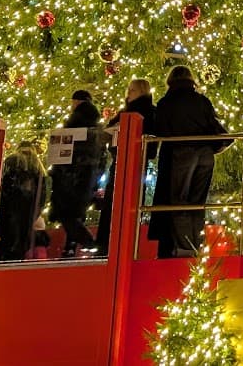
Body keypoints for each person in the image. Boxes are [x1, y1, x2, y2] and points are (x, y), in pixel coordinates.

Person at [150, 66, 231, 258]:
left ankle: (184, 248)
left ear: (170, 80)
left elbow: (161, 131)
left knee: (179, 201)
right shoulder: (201, 100)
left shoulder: (166, 102)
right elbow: (216, 127)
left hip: (181, 152)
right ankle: (196, 245)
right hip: (205, 153)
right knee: (197, 202)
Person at [95, 78, 157, 255]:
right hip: (131, 160)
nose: (128, 94)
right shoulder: (144, 111)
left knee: (116, 201)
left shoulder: (135, 112)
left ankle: (108, 242)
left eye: (133, 90)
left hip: (129, 159)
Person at [48, 91, 105, 256]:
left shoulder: (75, 121)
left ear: (77, 102)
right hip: (87, 177)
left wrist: (58, 170)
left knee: (66, 213)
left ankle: (87, 241)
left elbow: (63, 150)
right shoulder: (96, 125)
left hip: (70, 176)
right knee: (76, 213)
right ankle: (70, 247)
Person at [0, 142, 46, 262]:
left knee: (8, 235)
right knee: (21, 238)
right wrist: (36, 211)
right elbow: (42, 194)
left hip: (9, 208)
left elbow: (1, 184)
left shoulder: (11, 161)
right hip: (28, 210)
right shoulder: (38, 166)